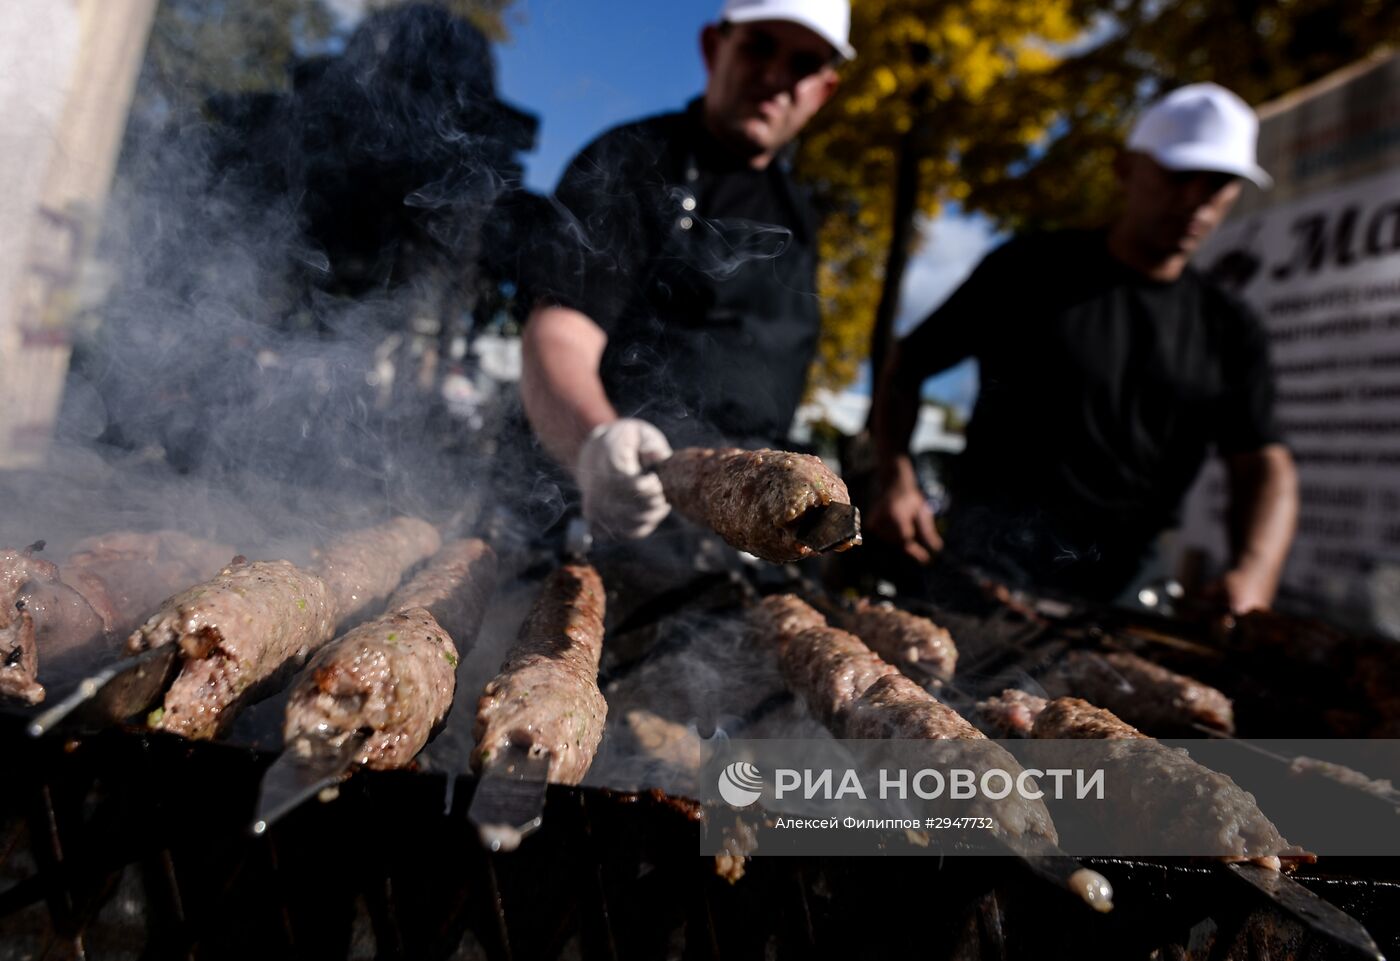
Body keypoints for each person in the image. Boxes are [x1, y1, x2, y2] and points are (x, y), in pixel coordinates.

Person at [869, 83, 1298, 612]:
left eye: (1219, 184)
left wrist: (1253, 574)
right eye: (1179, 175)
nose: (1195, 200)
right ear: (1125, 168)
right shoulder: (1029, 269)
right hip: (983, 571)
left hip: (1125, 595)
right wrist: (895, 475)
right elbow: (908, 363)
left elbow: (1264, 462)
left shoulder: (1229, 327)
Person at [521, 0, 853, 540]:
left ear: (824, 91)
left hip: (725, 546)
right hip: (586, 515)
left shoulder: (800, 215)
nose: (775, 77)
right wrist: (597, 446)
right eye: (759, 46)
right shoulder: (632, 159)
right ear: (713, 48)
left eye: (803, 64)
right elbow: (557, 337)